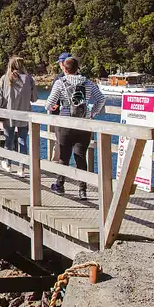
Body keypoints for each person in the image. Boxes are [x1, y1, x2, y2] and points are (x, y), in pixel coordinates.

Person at [46, 55, 105, 199]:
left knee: (64, 156)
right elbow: (101, 99)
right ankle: (82, 190)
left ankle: (60, 185)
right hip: (83, 124)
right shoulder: (88, 83)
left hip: (66, 123)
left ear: (64, 69)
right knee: (80, 156)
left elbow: (49, 104)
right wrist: (92, 113)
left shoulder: (60, 83)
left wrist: (55, 107)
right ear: (77, 68)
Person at [0, 56, 38, 163]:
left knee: (8, 140)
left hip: (8, 114)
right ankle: (23, 167)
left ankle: (8, 163)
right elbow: (34, 99)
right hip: (24, 115)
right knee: (22, 140)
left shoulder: (4, 78)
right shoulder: (29, 79)